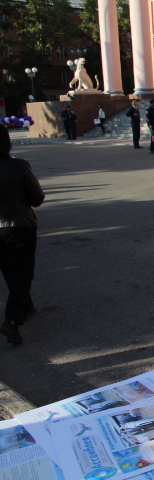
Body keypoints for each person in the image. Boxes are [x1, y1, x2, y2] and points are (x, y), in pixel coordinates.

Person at [0, 124, 45, 345]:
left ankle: (25, 305)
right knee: (21, 274)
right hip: (19, 225)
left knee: (9, 271)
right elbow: (36, 198)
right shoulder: (19, 166)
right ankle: (13, 319)